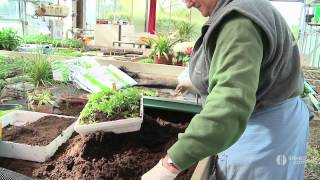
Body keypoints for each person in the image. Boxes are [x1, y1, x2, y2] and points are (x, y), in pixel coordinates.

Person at [142, 0, 309, 179]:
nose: (188, 4)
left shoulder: (238, 22)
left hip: (262, 136)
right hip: (279, 123)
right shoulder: (246, 7)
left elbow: (228, 109)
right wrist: (201, 81)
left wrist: (169, 165)